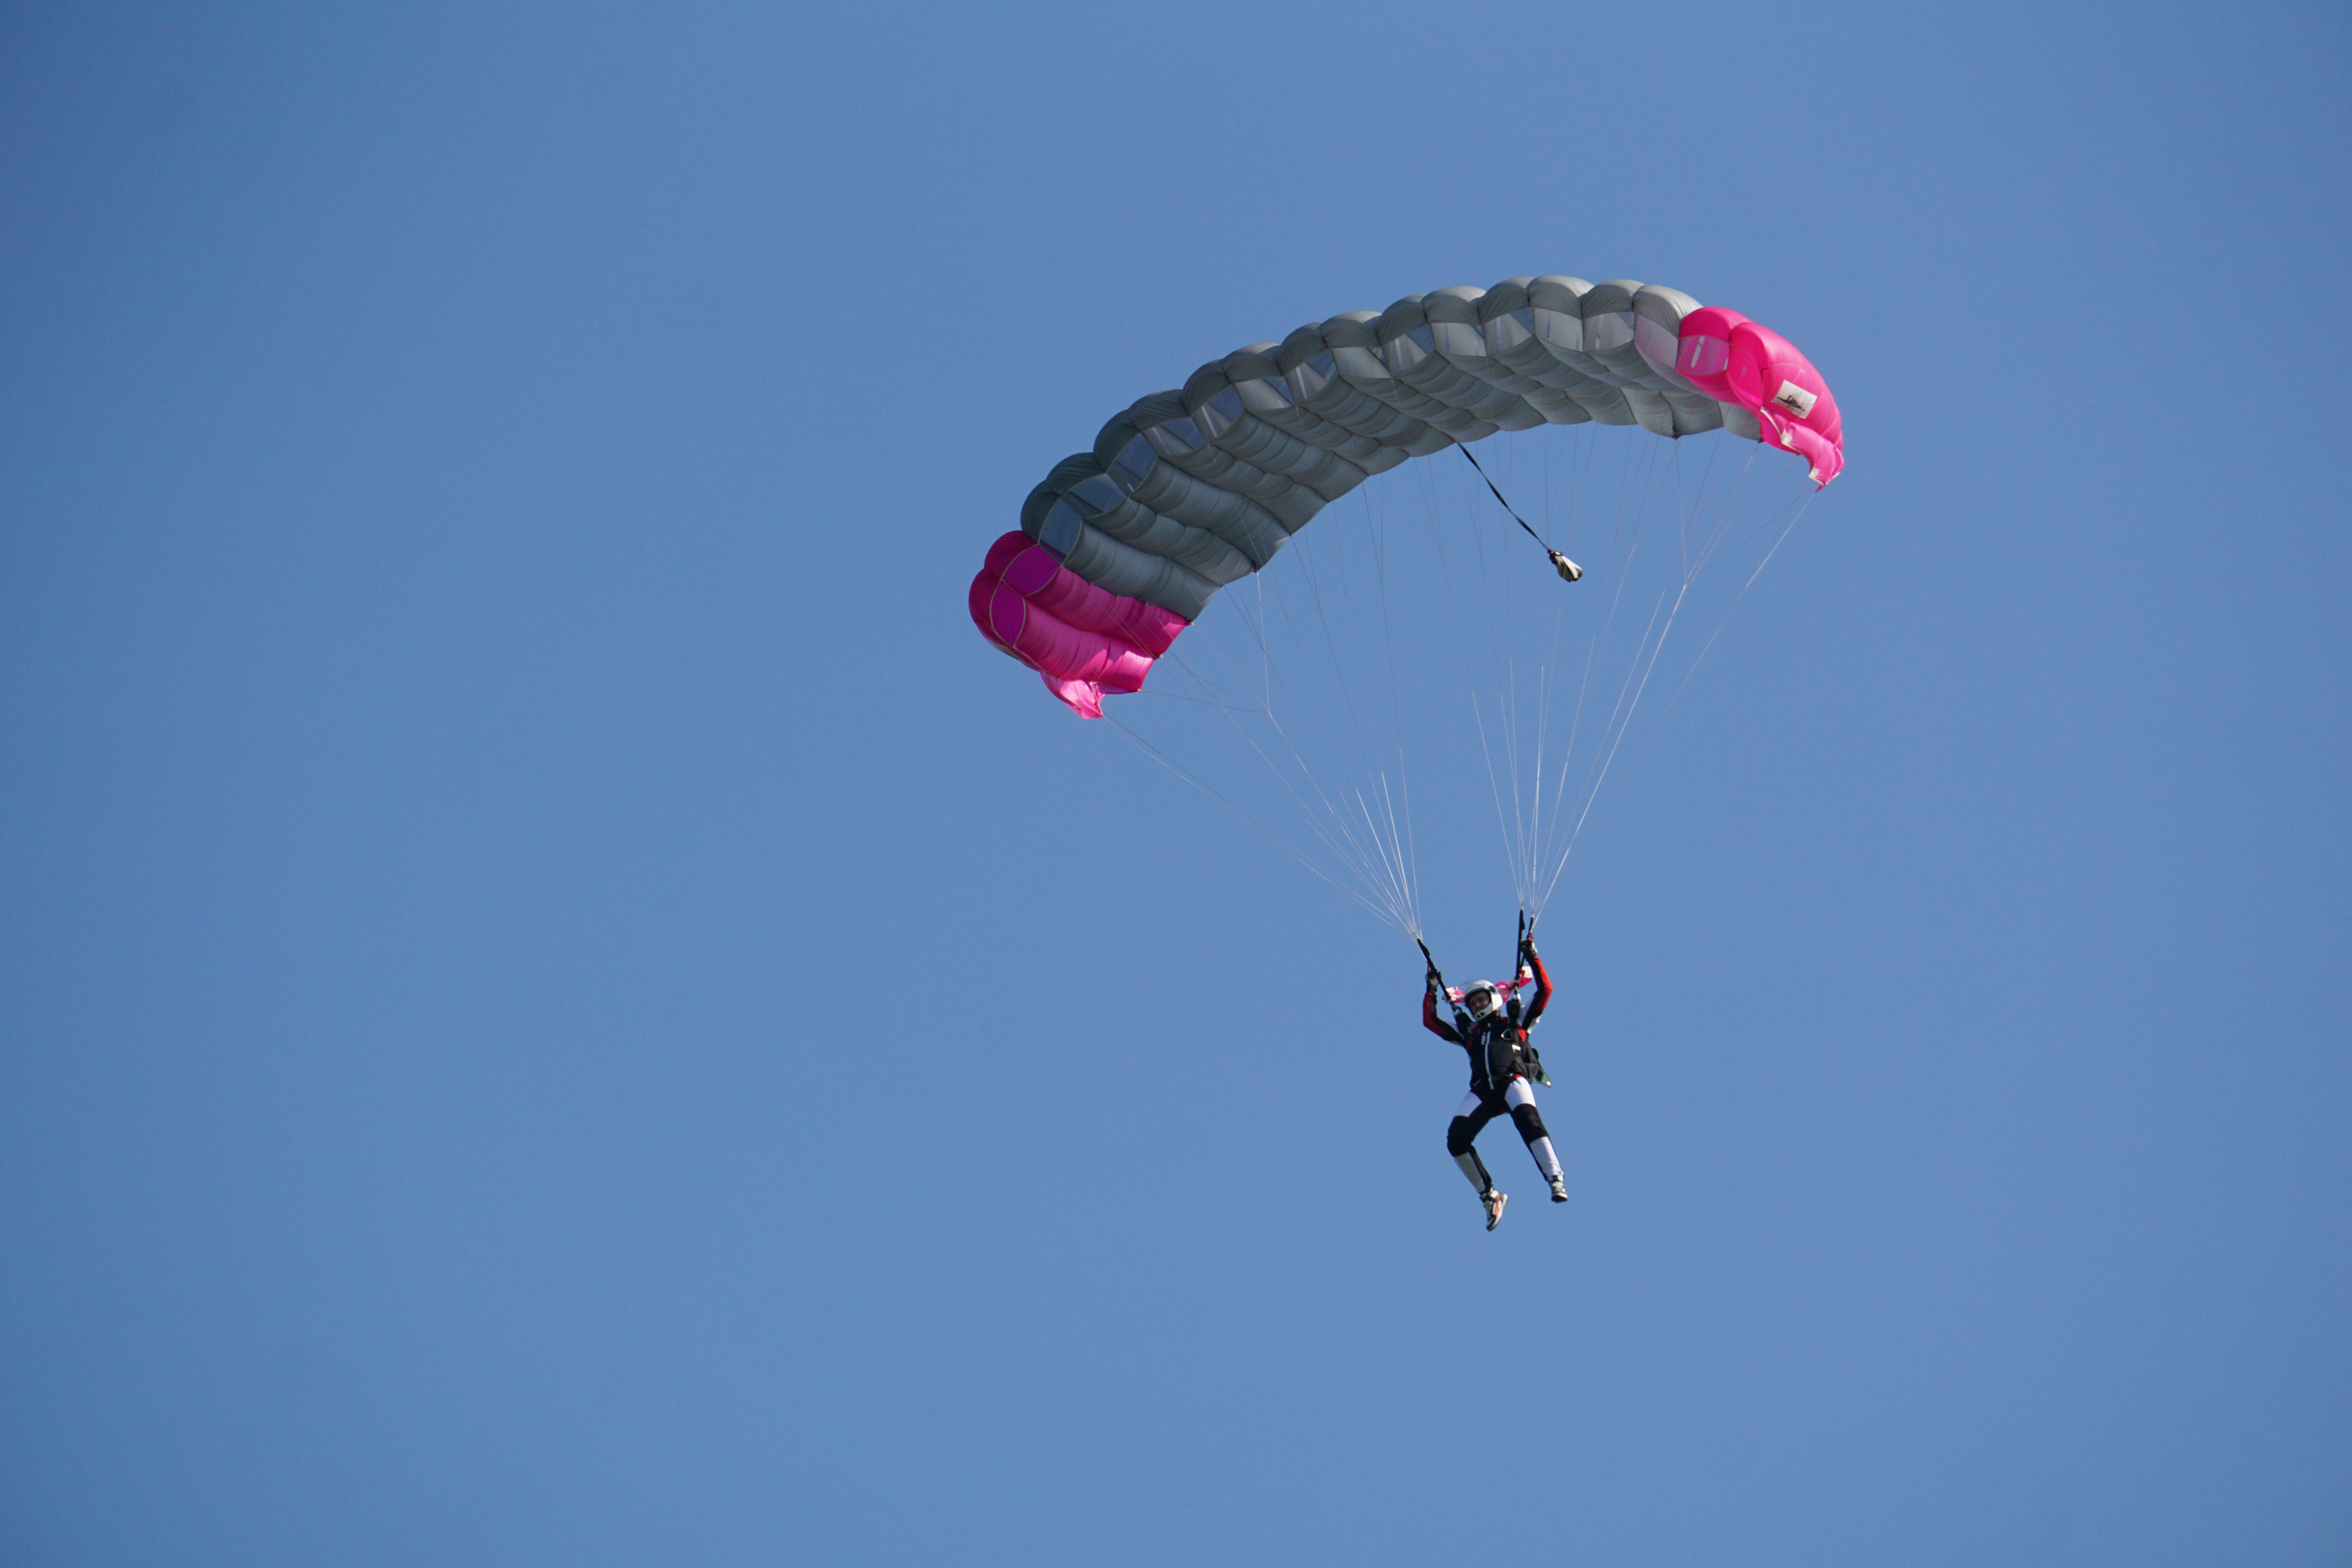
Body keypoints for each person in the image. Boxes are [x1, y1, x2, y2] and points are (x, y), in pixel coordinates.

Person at [1422, 929, 1566, 1229]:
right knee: (1456, 1139)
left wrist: (1533, 956)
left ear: (1494, 999)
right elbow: (1431, 1022)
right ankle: (1489, 1196)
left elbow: (1545, 992)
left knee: (1529, 1120)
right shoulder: (1470, 1035)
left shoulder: (1516, 1022)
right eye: (1471, 1003)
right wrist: (1431, 990)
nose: (1475, 1005)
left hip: (1512, 1081)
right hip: (1483, 1090)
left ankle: (1555, 1177)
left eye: (1480, 1000)